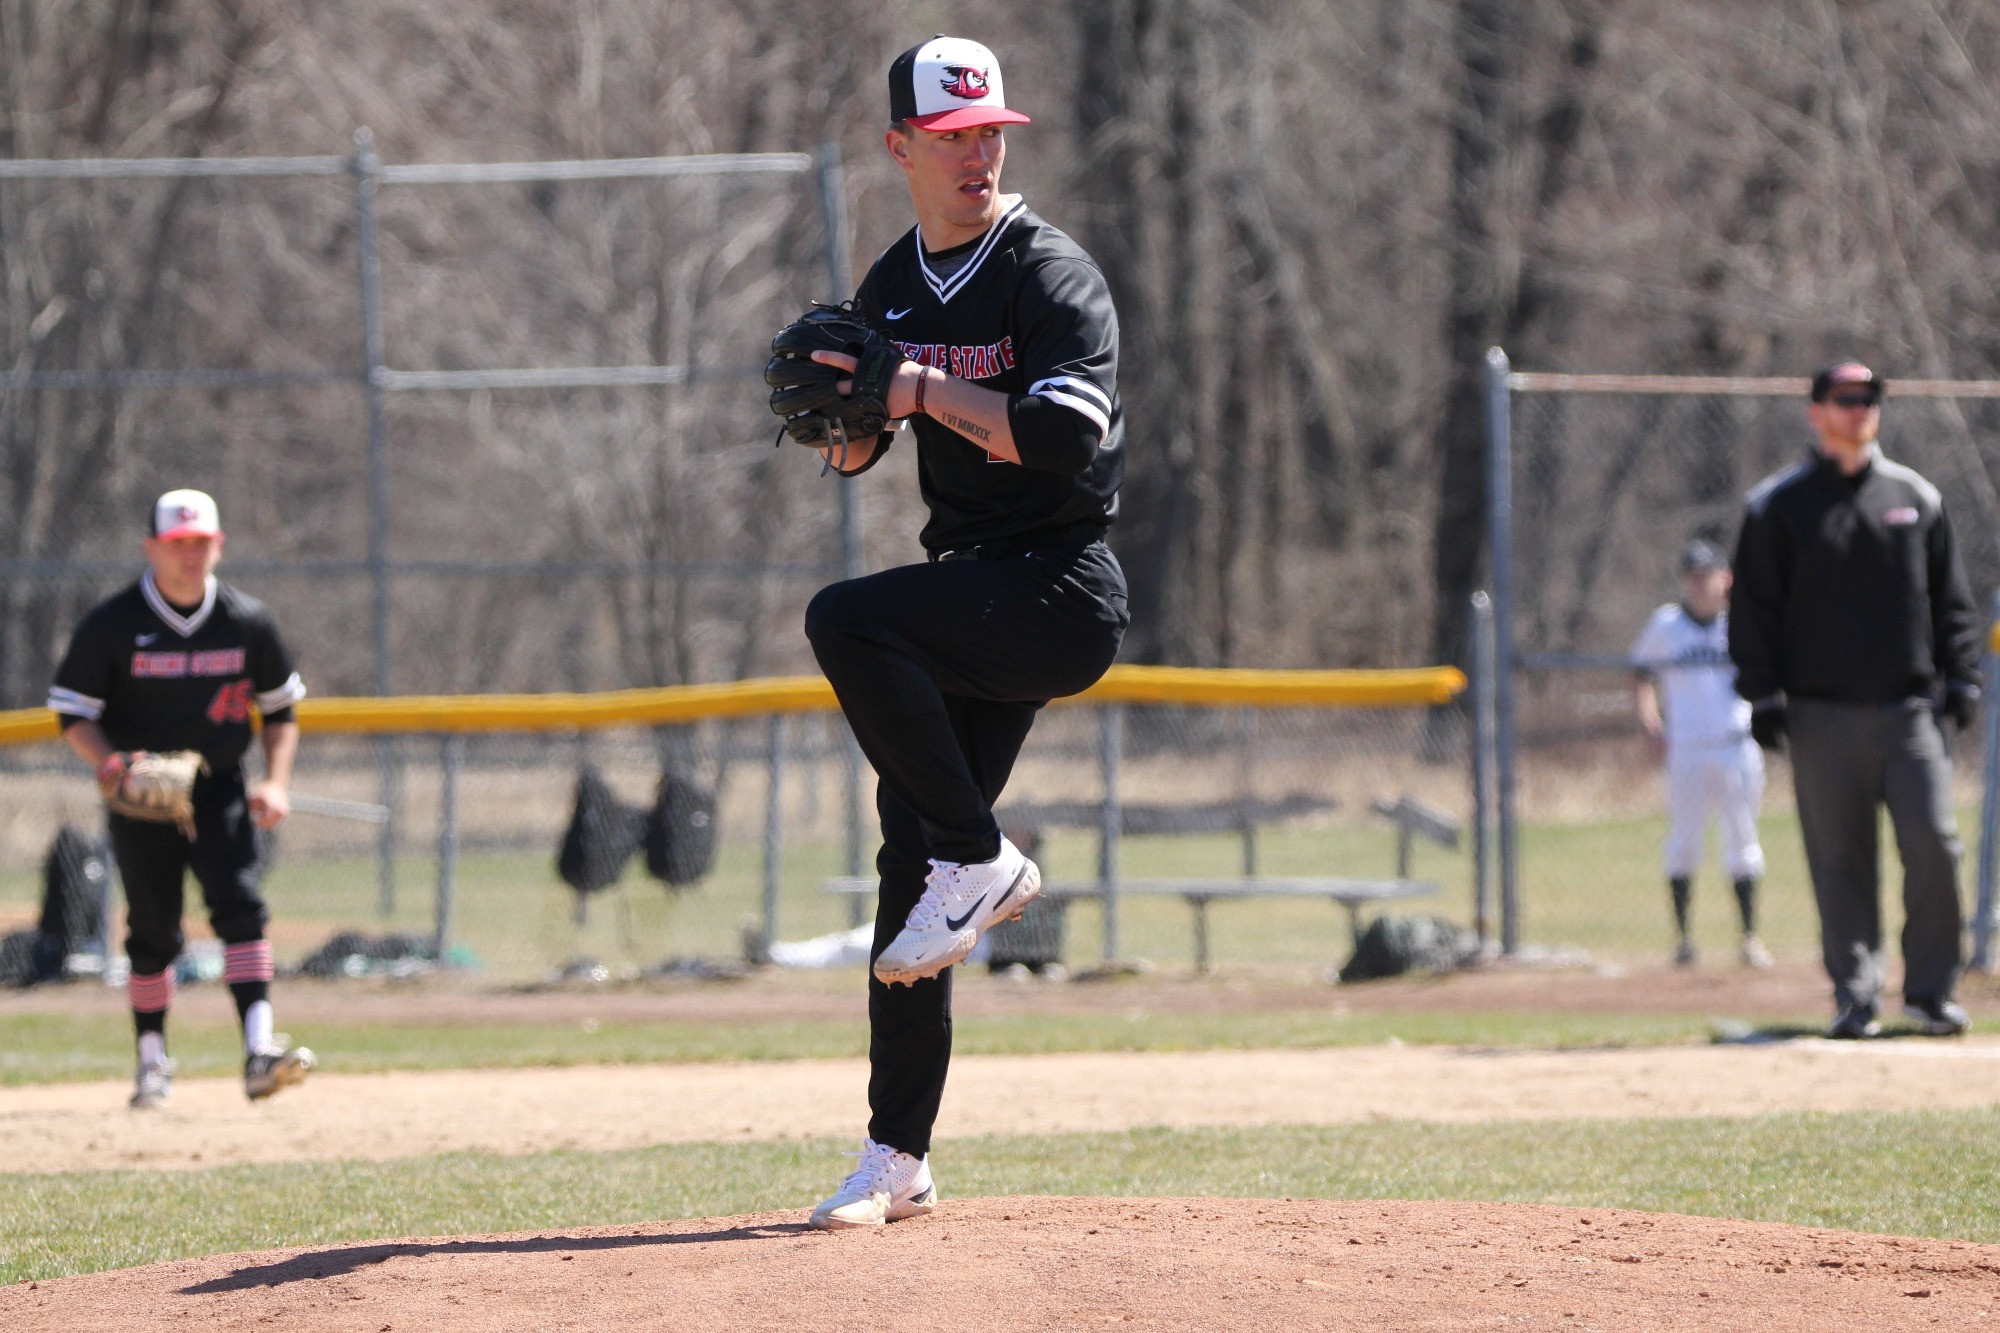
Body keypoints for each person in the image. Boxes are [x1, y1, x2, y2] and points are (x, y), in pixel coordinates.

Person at [794, 35, 1128, 1228]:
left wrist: (917, 389)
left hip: (1058, 586)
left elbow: (1063, 436)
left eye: (989, 130)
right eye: (950, 136)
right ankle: (897, 1156)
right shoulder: (891, 283)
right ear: (901, 148)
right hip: (969, 591)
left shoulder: (1049, 273)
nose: (976, 152)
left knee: (844, 619)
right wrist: (843, 425)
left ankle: (981, 856)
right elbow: (863, 441)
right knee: (911, 867)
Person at [1729, 363, 1981, 1039]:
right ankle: (1856, 994)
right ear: (1816, 411)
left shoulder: (1915, 497)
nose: (1859, 409)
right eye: (1845, 399)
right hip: (1821, 712)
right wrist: (1762, 694)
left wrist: (1961, 678)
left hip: (1909, 709)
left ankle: (1930, 992)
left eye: (1869, 398)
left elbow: (1951, 600)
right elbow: (1753, 609)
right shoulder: (1779, 505)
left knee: (1935, 844)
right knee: (1840, 858)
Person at [47, 489, 316, 1107]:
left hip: (218, 785)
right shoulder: (114, 624)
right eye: (177, 543)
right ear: (152, 547)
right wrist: (111, 763)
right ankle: (152, 1062)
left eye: (201, 542)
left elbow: (280, 710)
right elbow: (73, 713)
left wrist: (276, 780)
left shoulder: (247, 621)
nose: (190, 554)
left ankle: (259, 1050)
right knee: (153, 930)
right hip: (141, 794)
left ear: (219, 545)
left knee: (241, 907)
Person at [1630, 539, 1769, 970]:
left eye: (1705, 575)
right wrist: (1649, 719)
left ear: (1725, 578)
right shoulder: (1667, 625)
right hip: (1686, 747)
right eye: (1691, 576)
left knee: (1742, 840)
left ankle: (1749, 938)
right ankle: (1684, 940)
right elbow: (1640, 671)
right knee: (1684, 841)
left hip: (1735, 745)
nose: (1697, 584)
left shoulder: (1742, 621)